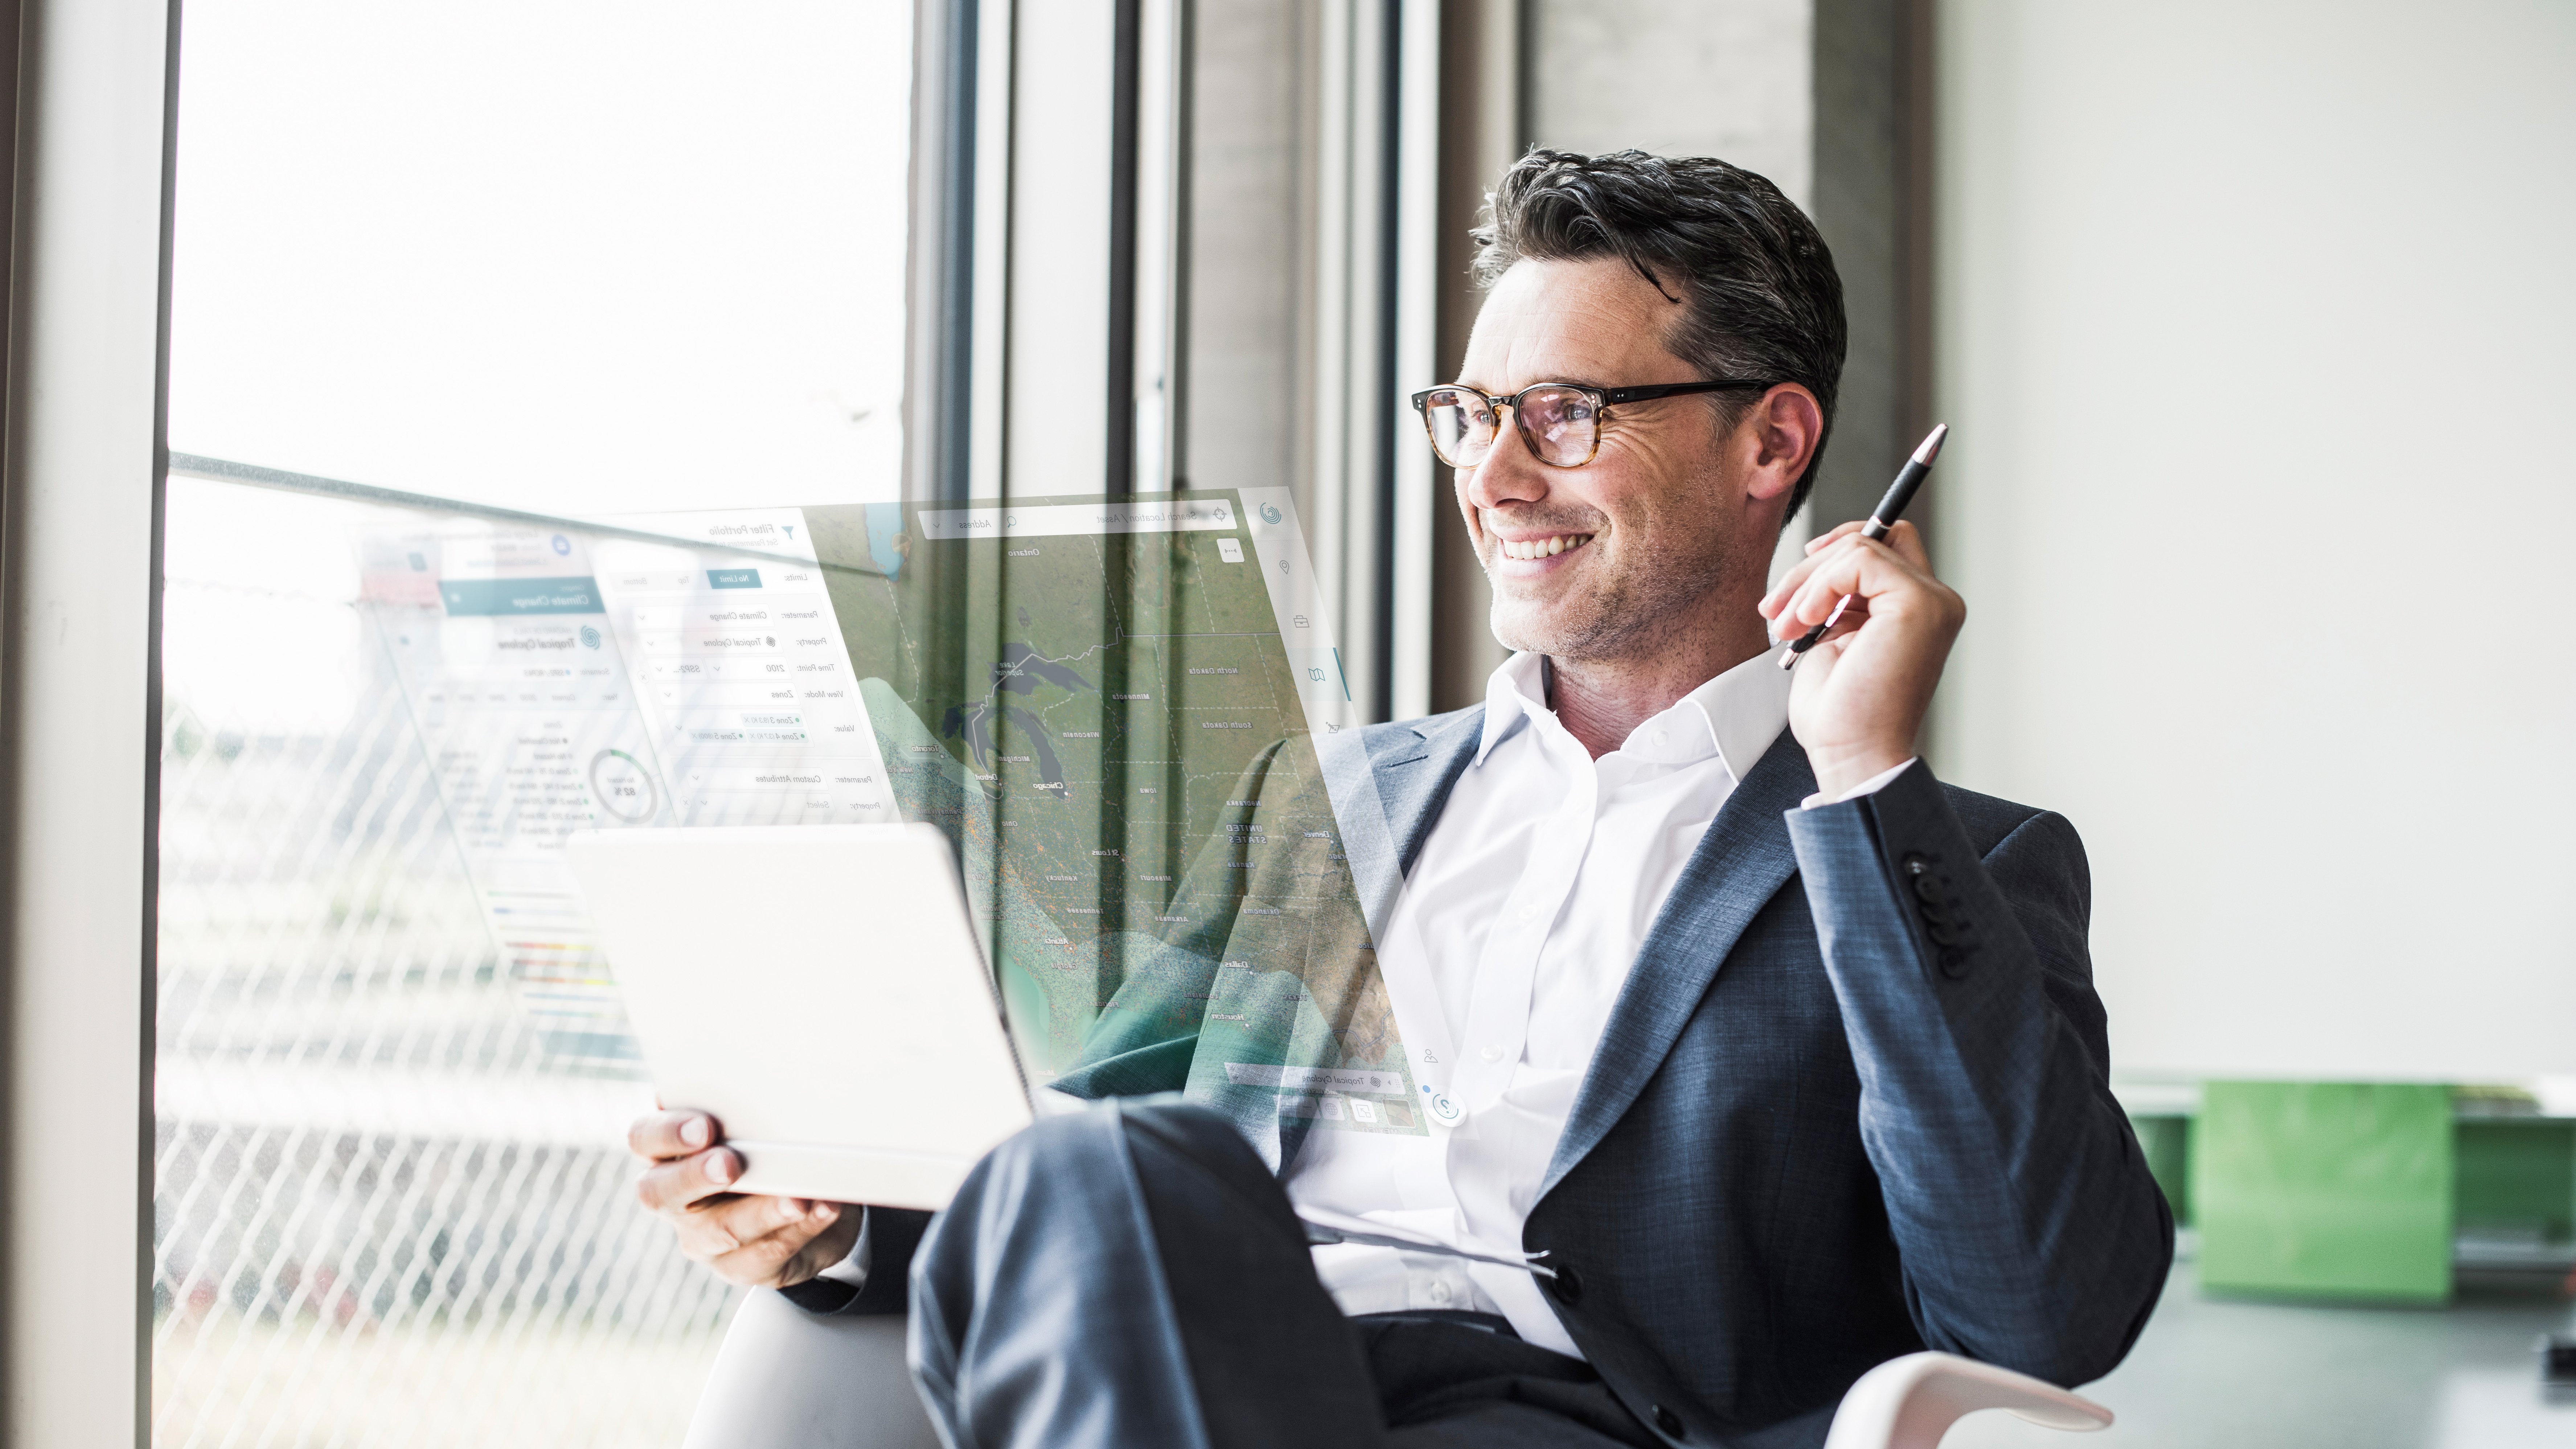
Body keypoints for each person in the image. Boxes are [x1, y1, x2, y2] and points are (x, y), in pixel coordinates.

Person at [625, 149, 2172, 1448]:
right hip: (1195, 1365)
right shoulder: (1326, 797)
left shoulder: (1934, 852)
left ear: (1770, 439)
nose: (1491, 479)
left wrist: (1862, 780)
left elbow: (2039, 1310)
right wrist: (833, 1223)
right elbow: (1089, 1153)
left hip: (1565, 1416)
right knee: (1109, 1166)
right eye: (1465, 415)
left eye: (1563, 414)